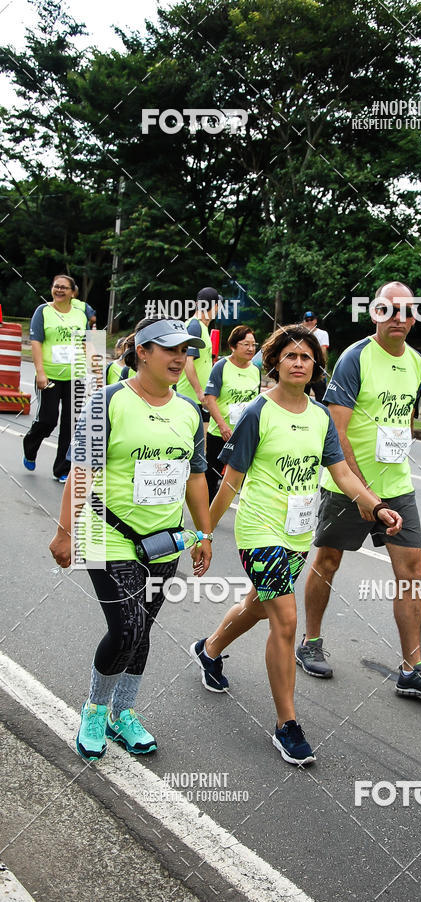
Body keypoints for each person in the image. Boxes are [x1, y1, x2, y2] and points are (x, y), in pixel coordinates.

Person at [188, 325, 402, 765]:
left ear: (315, 367)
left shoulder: (321, 416)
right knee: (285, 619)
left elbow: (341, 474)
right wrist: (205, 533)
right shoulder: (256, 413)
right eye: (291, 356)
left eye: (306, 357)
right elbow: (231, 482)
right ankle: (288, 725)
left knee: (258, 604)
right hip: (260, 530)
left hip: (298, 532)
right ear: (276, 363)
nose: (299, 362)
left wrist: (375, 504)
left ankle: (209, 650)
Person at [49, 316, 212, 762]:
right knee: (126, 627)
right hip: (107, 534)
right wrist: (64, 532)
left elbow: (196, 477)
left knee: (144, 627)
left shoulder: (189, 411)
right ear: (142, 352)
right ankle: (95, 710)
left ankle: (124, 713)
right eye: (170, 349)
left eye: (186, 351)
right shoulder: (108, 402)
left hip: (164, 541)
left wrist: (203, 534)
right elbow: (80, 471)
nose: (181, 358)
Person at [296, 281, 421, 701]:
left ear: (417, 316)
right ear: (376, 314)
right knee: (327, 561)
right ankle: (310, 642)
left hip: (397, 485)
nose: (399, 318)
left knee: (411, 572)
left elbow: (405, 418)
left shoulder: (417, 363)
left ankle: (412, 668)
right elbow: (337, 430)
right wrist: (364, 492)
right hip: (348, 484)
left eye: (407, 311)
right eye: (390, 310)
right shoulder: (355, 358)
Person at [23, 274, 88, 482]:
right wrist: (40, 372)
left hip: (74, 376)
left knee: (71, 424)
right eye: (56, 287)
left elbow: (84, 343)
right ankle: (30, 446)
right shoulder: (43, 311)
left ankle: (62, 469)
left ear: (72, 292)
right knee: (48, 419)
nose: (59, 290)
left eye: (64, 288)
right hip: (49, 374)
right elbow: (36, 342)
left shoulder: (80, 314)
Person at [202, 325, 261, 501]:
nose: (251, 348)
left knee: (244, 476)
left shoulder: (255, 370)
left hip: (244, 434)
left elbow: (256, 403)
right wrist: (222, 425)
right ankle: (206, 516)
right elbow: (209, 398)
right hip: (220, 433)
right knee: (212, 477)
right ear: (233, 346)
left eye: (253, 344)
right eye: (245, 344)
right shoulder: (221, 366)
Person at [176, 286, 220, 416]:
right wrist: (199, 391)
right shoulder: (194, 327)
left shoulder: (201, 327)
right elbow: (188, 361)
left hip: (199, 397)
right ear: (216, 306)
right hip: (191, 397)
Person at [302, 311, 329, 402]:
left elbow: (323, 352)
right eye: (307, 320)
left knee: (321, 398)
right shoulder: (300, 335)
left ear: (316, 321)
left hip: (317, 369)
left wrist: (322, 368)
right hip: (304, 369)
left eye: (311, 319)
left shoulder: (323, 334)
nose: (309, 322)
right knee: (302, 396)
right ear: (304, 322)